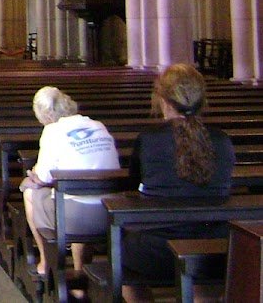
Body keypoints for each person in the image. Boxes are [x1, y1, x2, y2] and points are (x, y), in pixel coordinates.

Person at [121, 64, 234, 302]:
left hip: (157, 249)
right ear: (202, 100)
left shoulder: (149, 139)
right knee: (207, 275)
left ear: (163, 100)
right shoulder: (222, 140)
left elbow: (133, 185)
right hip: (216, 244)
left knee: (122, 256)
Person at [20, 86, 119, 279]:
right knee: (76, 195)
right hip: (111, 211)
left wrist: (32, 176)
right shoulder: (97, 125)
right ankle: (80, 271)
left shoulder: (52, 130)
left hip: (76, 216)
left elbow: (43, 177)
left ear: (47, 115)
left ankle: (45, 263)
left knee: (31, 193)